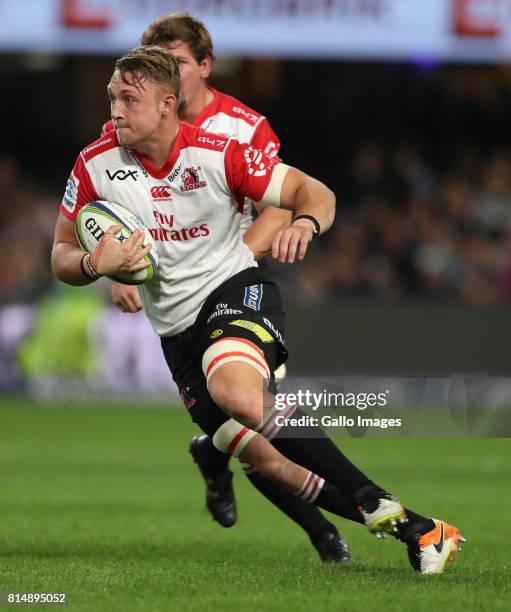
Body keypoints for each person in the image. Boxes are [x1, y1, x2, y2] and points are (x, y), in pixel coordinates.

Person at [51, 46, 464, 574]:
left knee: (237, 394)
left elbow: (313, 191)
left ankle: (373, 496)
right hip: (175, 332)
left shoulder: (219, 152)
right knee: (269, 464)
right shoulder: (94, 163)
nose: (115, 111)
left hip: (234, 289)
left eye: (129, 99)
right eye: (112, 98)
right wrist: (93, 262)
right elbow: (61, 255)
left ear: (166, 104)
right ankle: (422, 529)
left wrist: (305, 223)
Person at [103, 13, 352, 563]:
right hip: (174, 298)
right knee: (254, 431)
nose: (168, 71)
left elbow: (279, 202)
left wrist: (233, 264)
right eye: (158, 62)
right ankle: (229, 464)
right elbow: (110, 212)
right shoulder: (127, 127)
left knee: (258, 421)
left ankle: (326, 533)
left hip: (236, 283)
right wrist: (117, 270)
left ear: (204, 66)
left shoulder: (242, 127)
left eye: (180, 63)